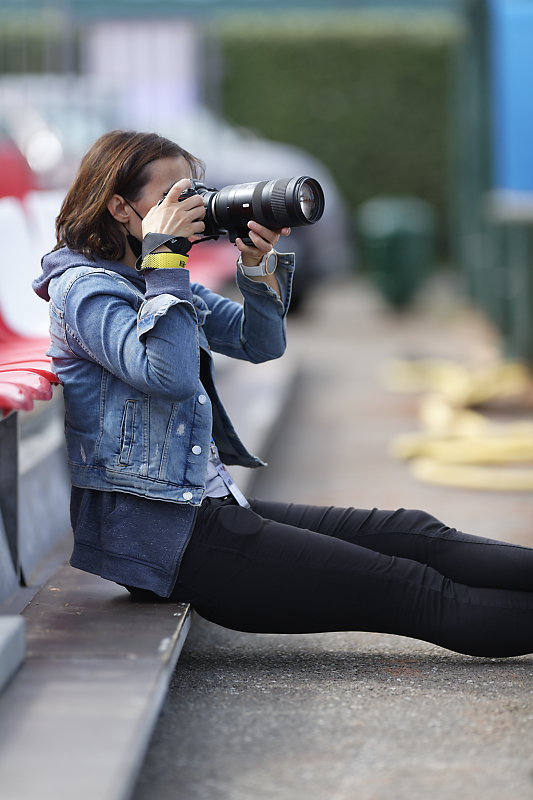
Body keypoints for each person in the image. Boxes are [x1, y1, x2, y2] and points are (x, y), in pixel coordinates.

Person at [33, 130, 533, 659]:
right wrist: (166, 261)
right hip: (170, 538)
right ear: (118, 207)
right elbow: (171, 376)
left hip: (206, 505)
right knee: (416, 592)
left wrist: (254, 267)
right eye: (170, 198)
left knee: (414, 533)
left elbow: (260, 342)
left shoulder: (146, 277)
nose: (191, 210)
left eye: (192, 194)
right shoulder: (87, 291)